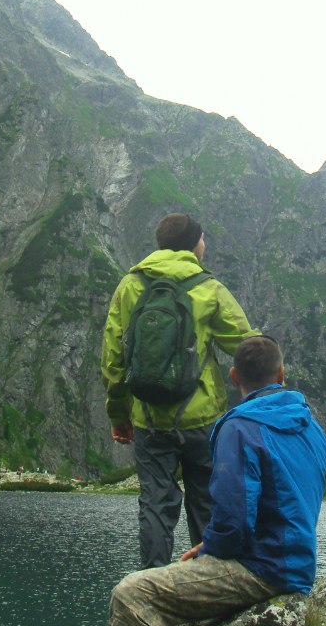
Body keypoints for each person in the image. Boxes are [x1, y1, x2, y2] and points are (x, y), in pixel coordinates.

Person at [38, 336, 326, 626]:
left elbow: (232, 521)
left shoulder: (239, 426)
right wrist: (216, 543)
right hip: (295, 562)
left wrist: (212, 545)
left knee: (132, 593)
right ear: (281, 375)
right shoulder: (310, 425)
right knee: (154, 587)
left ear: (233, 377)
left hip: (261, 569)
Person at [101, 213, 260, 568]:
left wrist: (119, 414)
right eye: (203, 239)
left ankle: (152, 586)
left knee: (155, 503)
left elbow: (114, 357)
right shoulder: (208, 288)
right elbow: (246, 346)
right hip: (203, 418)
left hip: (148, 418)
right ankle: (206, 583)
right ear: (195, 243)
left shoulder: (130, 285)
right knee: (206, 500)